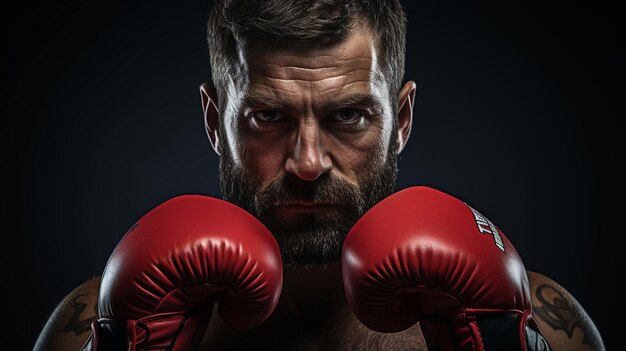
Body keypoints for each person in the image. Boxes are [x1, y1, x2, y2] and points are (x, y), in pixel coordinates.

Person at [34, 0, 605, 350]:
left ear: (401, 120)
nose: (308, 162)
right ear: (214, 121)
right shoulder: (101, 327)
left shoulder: (535, 321)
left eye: (348, 116)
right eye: (268, 117)